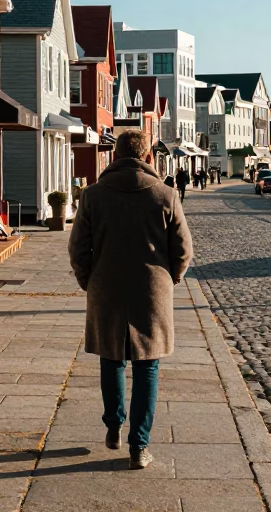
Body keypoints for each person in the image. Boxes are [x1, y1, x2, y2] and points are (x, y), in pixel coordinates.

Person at [69, 131, 193, 471]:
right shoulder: (165, 195)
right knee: (147, 367)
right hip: (152, 293)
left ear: (114, 156)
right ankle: (139, 446)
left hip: (106, 289)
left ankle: (113, 424)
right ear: (148, 157)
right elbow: (183, 250)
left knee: (111, 360)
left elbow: (78, 248)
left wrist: (88, 281)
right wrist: (171, 279)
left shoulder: (93, 196)